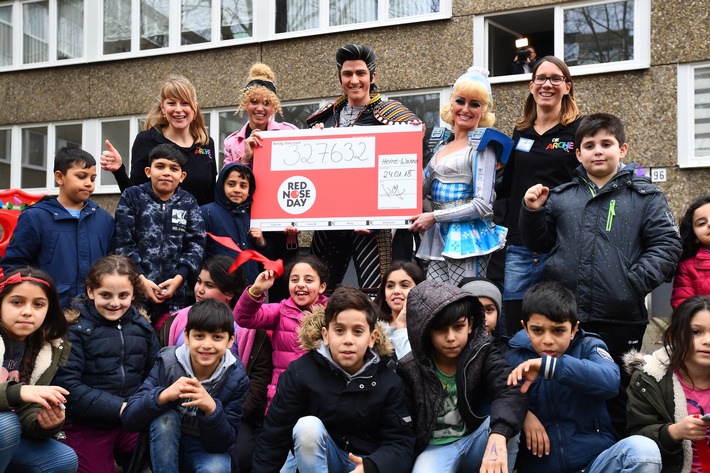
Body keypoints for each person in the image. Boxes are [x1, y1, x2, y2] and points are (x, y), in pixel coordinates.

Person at [519, 112, 682, 437]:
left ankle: (622, 456)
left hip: (620, 318)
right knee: (567, 391)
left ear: (621, 149)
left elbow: (668, 245)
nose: (598, 151)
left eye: (606, 144)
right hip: (567, 319)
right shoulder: (562, 197)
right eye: (589, 145)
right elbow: (538, 242)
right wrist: (532, 211)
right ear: (578, 153)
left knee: (618, 397)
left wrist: (631, 283)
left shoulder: (645, 197)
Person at [252, 285, 416, 473]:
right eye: (339, 330)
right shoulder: (301, 372)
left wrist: (371, 466)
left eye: (357, 331)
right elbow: (274, 437)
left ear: (372, 338)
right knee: (307, 428)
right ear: (326, 335)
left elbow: (400, 443)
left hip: (364, 464)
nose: (348, 340)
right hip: (315, 462)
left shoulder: (389, 381)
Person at [505, 281, 662, 473]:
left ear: (573, 329)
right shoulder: (512, 355)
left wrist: (552, 367)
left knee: (643, 451)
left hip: (594, 465)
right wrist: (522, 414)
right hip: (539, 467)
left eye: (558, 330)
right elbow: (491, 402)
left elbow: (610, 381)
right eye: (537, 330)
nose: (547, 340)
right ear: (525, 328)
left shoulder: (589, 346)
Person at [306, 43, 423, 291]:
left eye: (361, 73)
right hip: (330, 220)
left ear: (372, 76)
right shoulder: (324, 118)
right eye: (348, 74)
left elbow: (413, 141)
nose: (354, 80)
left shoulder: (391, 113)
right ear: (340, 78)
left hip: (371, 223)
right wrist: (314, 141)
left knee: (377, 289)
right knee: (318, 287)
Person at [397, 279, 526, 473]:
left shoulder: (482, 352)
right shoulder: (410, 368)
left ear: (470, 324)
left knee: (506, 427)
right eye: (441, 329)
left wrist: (499, 435)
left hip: (475, 438)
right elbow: (401, 428)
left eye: (458, 326)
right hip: (434, 449)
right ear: (426, 331)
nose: (451, 337)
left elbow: (510, 388)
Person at [497, 56, 583, 337]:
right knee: (516, 326)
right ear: (532, 86)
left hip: (563, 241)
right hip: (520, 243)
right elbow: (507, 186)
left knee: (559, 323)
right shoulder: (520, 132)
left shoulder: (579, 131)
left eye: (555, 79)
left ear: (567, 86)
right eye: (541, 78)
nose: (547, 84)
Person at [53, 255, 160, 473]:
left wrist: (138, 407)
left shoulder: (143, 327)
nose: (114, 303)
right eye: (105, 295)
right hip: (86, 425)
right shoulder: (73, 330)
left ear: (133, 294)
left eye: (123, 295)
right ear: (91, 291)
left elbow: (154, 374)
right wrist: (121, 408)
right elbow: (68, 386)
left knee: (156, 458)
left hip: (130, 422)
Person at [166, 255, 271, 473]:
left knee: (241, 456)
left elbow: (258, 381)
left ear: (229, 293)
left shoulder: (250, 329)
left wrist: (226, 412)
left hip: (229, 413)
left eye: (209, 285)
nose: (199, 290)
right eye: (199, 282)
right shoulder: (175, 321)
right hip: (177, 410)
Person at [122, 299, 250, 473]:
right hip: (166, 444)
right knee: (165, 419)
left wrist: (212, 409)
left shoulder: (236, 377)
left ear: (230, 340)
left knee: (216, 468)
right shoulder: (167, 363)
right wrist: (163, 396)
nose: (207, 345)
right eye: (199, 336)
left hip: (205, 446)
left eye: (217, 337)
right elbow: (130, 418)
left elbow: (225, 441)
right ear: (187, 336)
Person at [410, 66, 508, 286]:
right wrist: (413, 145)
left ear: (483, 110)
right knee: (437, 302)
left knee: (465, 302)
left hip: (468, 237)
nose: (466, 109)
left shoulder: (483, 147)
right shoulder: (441, 145)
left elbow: (483, 205)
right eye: (461, 101)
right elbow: (419, 190)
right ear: (451, 104)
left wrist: (433, 217)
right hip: (438, 235)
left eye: (475, 104)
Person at [222, 63, 300, 301]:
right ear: (246, 104)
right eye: (254, 101)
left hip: (280, 225)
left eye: (267, 103)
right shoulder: (233, 141)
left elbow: (299, 178)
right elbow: (227, 187)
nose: (260, 108)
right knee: (247, 285)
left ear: (274, 106)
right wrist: (245, 158)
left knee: (281, 288)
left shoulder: (289, 133)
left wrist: (296, 219)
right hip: (245, 223)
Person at [1, 147, 114, 308]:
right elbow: (15, 266)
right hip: (50, 312)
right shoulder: (35, 218)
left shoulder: (105, 220)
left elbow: (113, 266)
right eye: (81, 176)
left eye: (93, 178)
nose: (89, 183)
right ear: (60, 177)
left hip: (95, 313)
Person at [113, 143, 206, 325]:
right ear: (148, 171)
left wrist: (179, 278)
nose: (166, 173)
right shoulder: (132, 196)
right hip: (135, 292)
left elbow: (197, 244)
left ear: (182, 176)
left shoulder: (188, 202)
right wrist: (140, 279)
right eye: (160, 166)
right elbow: (123, 243)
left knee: (170, 341)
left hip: (177, 294)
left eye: (174, 168)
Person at [0, 267, 78, 472]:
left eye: (38, 304)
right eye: (16, 302)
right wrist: (18, 392)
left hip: (7, 436)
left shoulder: (46, 348)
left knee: (63, 459)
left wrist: (43, 423)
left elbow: (22, 412)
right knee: (5, 424)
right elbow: (15, 402)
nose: (27, 311)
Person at [100, 75, 217, 206]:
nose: (178, 109)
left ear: (194, 108)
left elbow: (212, 195)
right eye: (171, 103)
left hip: (200, 225)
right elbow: (134, 197)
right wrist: (118, 170)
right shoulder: (146, 140)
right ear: (163, 108)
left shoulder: (206, 143)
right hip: (158, 225)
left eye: (185, 103)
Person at [625, 296, 710, 472]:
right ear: (674, 336)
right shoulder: (649, 378)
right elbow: (637, 440)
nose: (707, 341)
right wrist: (675, 432)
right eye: (696, 332)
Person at [233, 255, 328, 409]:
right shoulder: (280, 310)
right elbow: (242, 318)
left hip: (320, 394)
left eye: (309, 280)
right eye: (295, 280)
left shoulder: (332, 313)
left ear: (322, 286)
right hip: (283, 395)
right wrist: (256, 290)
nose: (301, 285)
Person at [201, 162, 266, 284]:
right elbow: (198, 251)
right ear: (221, 185)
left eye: (243, 186)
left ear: (249, 189)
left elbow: (266, 257)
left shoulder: (254, 215)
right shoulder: (206, 212)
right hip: (219, 285)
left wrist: (261, 242)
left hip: (250, 286)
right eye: (231, 184)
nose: (237, 190)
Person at [373, 260, 425, 359]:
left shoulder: (426, 327)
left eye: (404, 285)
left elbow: (411, 368)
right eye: (390, 286)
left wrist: (401, 325)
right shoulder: (372, 324)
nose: (396, 291)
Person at [671, 195, 710, 308]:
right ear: (695, 237)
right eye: (702, 223)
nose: (709, 224)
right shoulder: (687, 268)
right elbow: (683, 309)